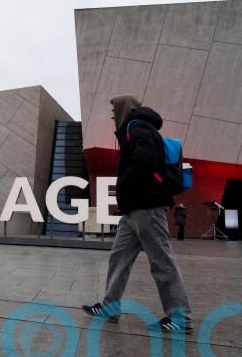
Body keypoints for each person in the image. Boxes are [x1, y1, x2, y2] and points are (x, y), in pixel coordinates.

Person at [82, 96, 193, 334]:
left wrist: (123, 185)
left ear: (125, 108)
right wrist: (126, 199)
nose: (112, 115)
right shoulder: (135, 129)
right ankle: (110, 307)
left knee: (161, 261)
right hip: (133, 210)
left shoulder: (138, 126)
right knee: (118, 257)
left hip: (148, 208)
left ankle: (180, 317)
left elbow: (146, 160)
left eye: (114, 110)